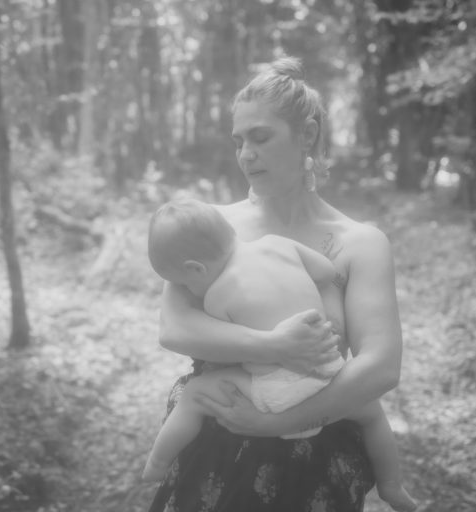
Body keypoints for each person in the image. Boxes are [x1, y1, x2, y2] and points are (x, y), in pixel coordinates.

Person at [148, 56, 411, 512]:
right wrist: (276, 347)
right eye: (238, 141)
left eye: (260, 137)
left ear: (307, 135)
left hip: (315, 463)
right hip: (213, 450)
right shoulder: (213, 229)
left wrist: (275, 423)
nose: (245, 154)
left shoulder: (360, 243)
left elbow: (381, 366)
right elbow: (175, 329)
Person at [143, 198, 416, 512]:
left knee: (195, 394)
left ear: (196, 268)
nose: (188, 289)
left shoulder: (217, 296)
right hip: (328, 374)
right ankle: (392, 485)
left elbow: (222, 353)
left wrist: (268, 345)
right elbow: (326, 271)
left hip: (276, 392)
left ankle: (157, 462)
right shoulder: (278, 244)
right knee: (372, 414)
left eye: (186, 283)